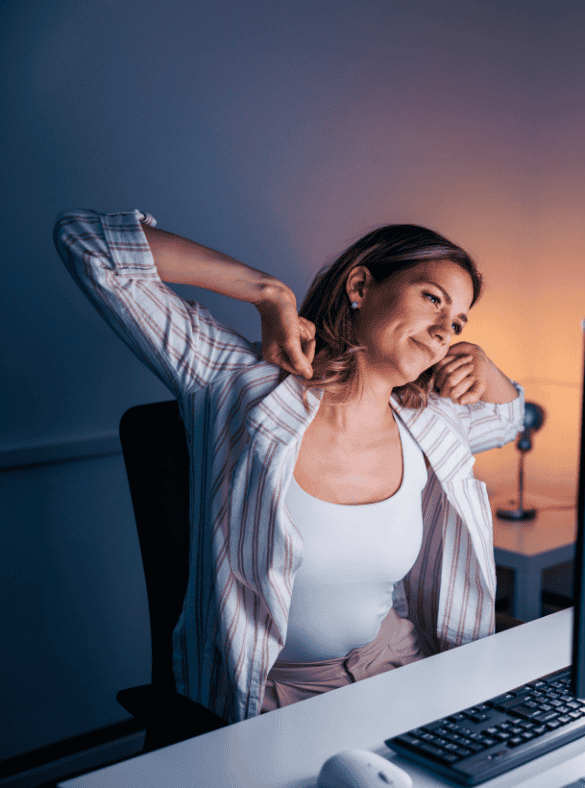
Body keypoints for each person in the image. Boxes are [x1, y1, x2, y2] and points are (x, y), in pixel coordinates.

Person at [54, 209, 524, 722]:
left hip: (399, 671)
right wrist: (267, 292)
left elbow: (508, 416)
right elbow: (87, 240)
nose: (443, 331)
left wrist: (485, 365)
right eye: (432, 298)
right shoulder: (238, 382)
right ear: (361, 285)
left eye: (457, 323)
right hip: (268, 701)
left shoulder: (432, 424)